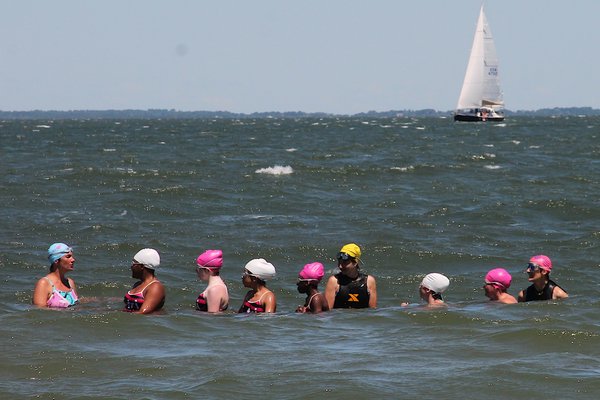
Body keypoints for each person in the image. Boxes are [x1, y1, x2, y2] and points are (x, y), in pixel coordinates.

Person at [324, 243, 377, 309]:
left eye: (344, 263)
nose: (340, 266)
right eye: (339, 262)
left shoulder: (369, 281)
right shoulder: (334, 281)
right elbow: (328, 312)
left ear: (355, 263)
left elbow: (373, 311)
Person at [32, 243, 79, 308]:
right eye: (68, 257)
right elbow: (39, 311)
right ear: (56, 260)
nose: (73, 260)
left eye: (72, 256)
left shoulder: (70, 283)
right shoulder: (44, 283)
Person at [124, 248, 165, 314]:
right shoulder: (138, 284)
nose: (131, 267)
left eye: (134, 264)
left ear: (141, 266)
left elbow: (143, 312)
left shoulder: (155, 287)